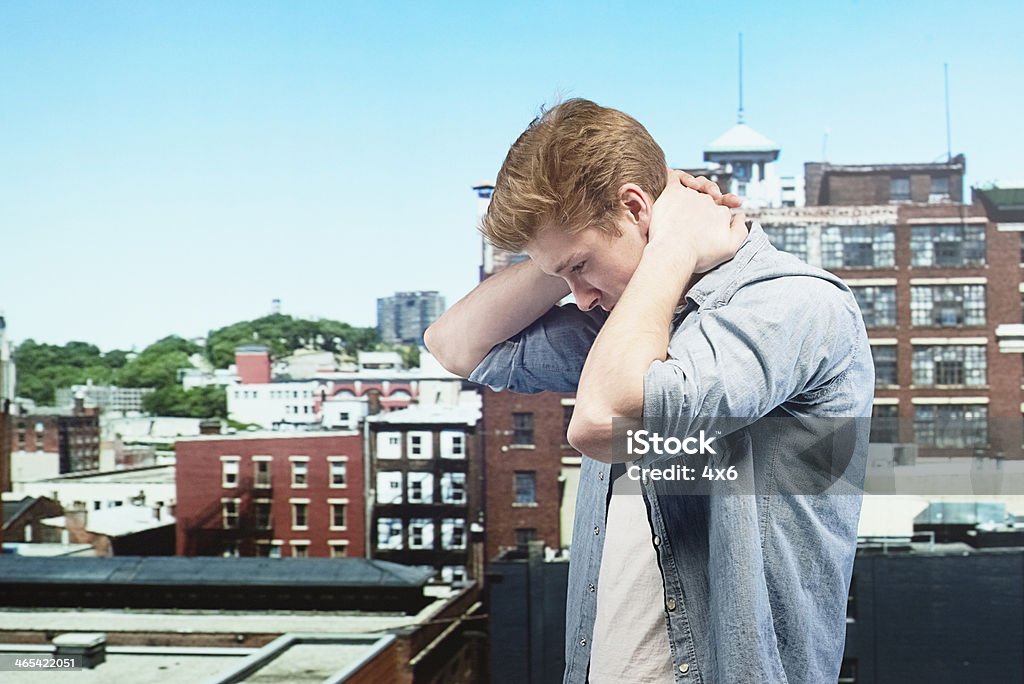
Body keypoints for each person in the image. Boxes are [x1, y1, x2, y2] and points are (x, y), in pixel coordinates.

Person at [425, 98, 873, 683]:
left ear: (636, 208)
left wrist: (670, 246)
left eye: (581, 266)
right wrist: (561, 252)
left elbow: (600, 422)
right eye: (563, 275)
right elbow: (456, 346)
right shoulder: (632, 325)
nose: (578, 297)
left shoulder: (794, 304)